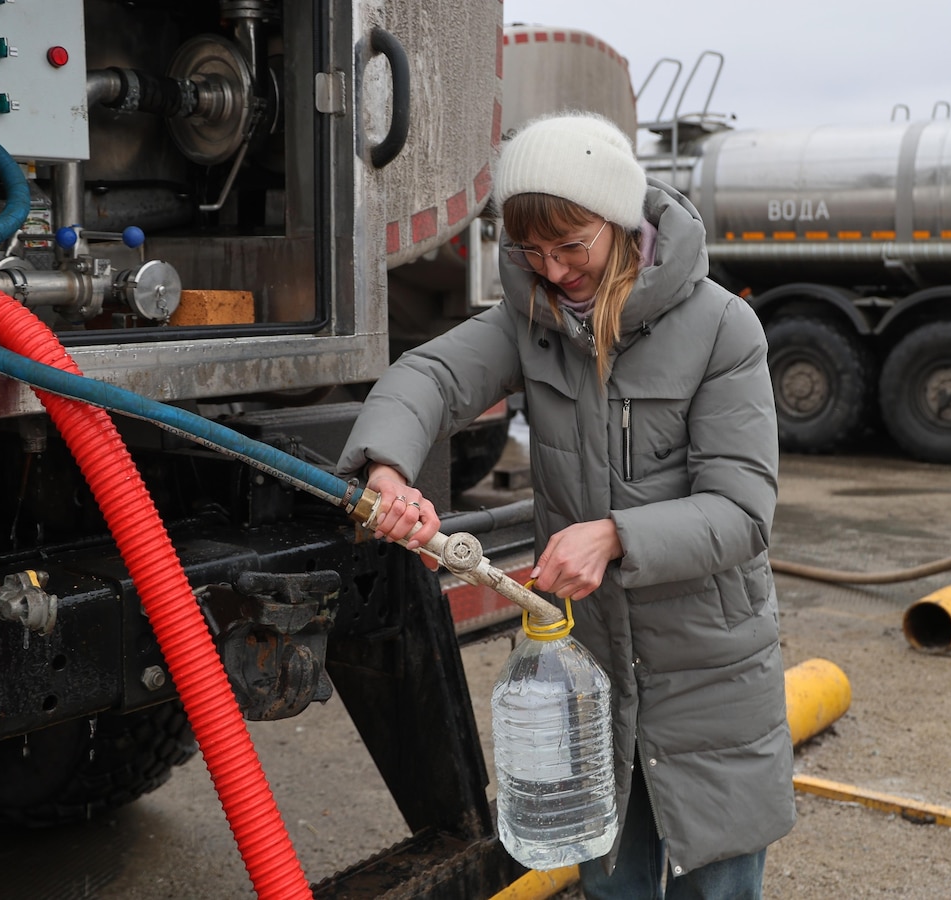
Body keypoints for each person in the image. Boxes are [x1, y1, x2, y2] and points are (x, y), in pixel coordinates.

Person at [337, 112, 793, 899]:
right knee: (609, 880)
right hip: (593, 666)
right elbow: (429, 378)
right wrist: (387, 467)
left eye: (571, 246)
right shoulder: (530, 321)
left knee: (716, 882)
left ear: (617, 220)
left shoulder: (723, 327)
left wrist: (615, 536)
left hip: (707, 667)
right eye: (531, 251)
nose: (552, 270)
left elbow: (742, 511)